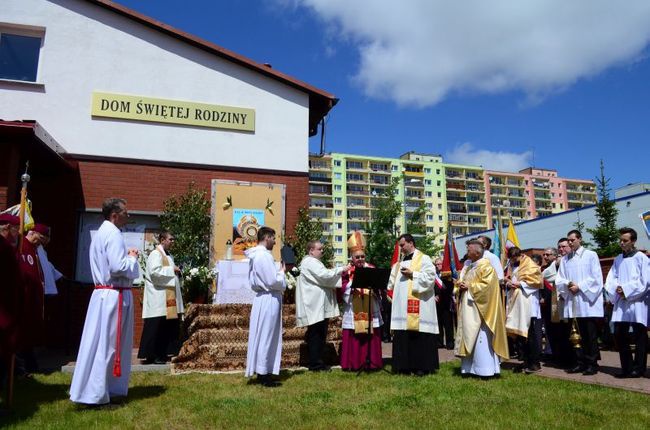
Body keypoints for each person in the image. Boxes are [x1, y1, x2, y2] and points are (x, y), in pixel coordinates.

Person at [69, 198, 139, 406]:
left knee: (98, 343)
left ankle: (101, 388)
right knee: (109, 345)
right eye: (125, 212)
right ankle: (98, 394)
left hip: (104, 295)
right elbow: (118, 267)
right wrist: (132, 257)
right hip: (113, 295)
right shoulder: (113, 233)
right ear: (114, 215)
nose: (128, 216)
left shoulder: (101, 233)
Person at [455, 239, 509, 378]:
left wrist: (470, 287)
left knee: (481, 339)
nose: (466, 252)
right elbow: (463, 282)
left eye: (469, 250)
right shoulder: (470, 266)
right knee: (468, 335)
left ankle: (484, 370)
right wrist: (460, 285)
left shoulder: (486, 267)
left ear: (477, 252)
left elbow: (488, 287)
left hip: (481, 311)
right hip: (469, 307)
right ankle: (469, 369)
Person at [388, 234, 439, 375]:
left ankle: (420, 367)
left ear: (411, 243)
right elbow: (392, 282)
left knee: (419, 337)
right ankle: (403, 367)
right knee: (403, 336)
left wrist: (413, 274)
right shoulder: (399, 262)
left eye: (403, 245)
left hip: (420, 306)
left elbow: (430, 278)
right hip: (401, 308)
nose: (401, 248)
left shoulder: (424, 258)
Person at [555, 230, 603, 375]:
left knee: (589, 335)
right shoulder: (565, 260)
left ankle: (592, 363)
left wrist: (580, 286)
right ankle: (579, 362)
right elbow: (560, 279)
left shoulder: (590, 255)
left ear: (580, 239)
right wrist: (569, 284)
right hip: (572, 301)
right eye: (568, 240)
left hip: (586, 302)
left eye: (572, 240)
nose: (570, 242)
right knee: (576, 335)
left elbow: (596, 277)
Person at [604, 227, 649, 378]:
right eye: (621, 240)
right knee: (619, 334)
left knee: (639, 335)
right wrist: (616, 289)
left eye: (625, 241)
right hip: (621, 302)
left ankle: (639, 367)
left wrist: (626, 290)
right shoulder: (618, 259)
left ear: (633, 241)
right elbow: (611, 278)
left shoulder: (641, 258)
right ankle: (627, 367)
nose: (622, 243)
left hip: (637, 300)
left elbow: (645, 281)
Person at [244, 227, 286, 386]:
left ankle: (264, 370)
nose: (275, 242)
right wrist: (282, 272)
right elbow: (272, 281)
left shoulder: (258, 255)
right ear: (267, 237)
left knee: (265, 335)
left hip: (265, 298)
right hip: (268, 298)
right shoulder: (263, 256)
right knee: (266, 336)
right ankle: (263, 374)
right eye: (273, 238)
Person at [296, 240, 345, 371]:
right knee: (316, 335)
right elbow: (324, 276)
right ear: (311, 250)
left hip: (317, 304)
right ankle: (316, 364)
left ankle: (317, 362)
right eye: (319, 249)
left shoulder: (313, 262)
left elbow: (323, 278)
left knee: (319, 334)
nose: (322, 251)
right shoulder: (310, 262)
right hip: (315, 305)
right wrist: (341, 269)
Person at [138, 231, 185, 365]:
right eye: (171, 239)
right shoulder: (155, 254)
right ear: (162, 240)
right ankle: (152, 355)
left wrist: (177, 271)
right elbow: (154, 272)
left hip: (167, 295)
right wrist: (172, 270)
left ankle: (162, 354)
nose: (173, 241)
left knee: (166, 326)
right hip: (158, 296)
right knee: (156, 326)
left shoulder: (168, 255)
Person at [340, 232, 383, 371]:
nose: (360, 259)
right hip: (354, 306)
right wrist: (352, 283)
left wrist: (377, 287)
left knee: (371, 333)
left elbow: (379, 287)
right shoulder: (347, 271)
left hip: (370, 305)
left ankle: (371, 363)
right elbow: (342, 287)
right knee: (354, 334)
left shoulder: (371, 268)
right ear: (352, 257)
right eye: (357, 257)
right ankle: (353, 363)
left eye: (362, 256)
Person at [16, 224, 49, 375]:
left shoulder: (35, 250)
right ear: (33, 232)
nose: (40, 243)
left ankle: (30, 365)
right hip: (23, 300)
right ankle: (21, 367)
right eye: (41, 239)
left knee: (28, 336)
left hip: (32, 301)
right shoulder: (22, 247)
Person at [505, 247, 543, 373]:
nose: (513, 261)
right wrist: (509, 283)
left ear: (520, 255)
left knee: (530, 334)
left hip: (528, 303)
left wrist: (520, 284)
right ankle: (525, 361)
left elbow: (537, 282)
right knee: (520, 335)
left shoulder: (530, 265)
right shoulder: (513, 265)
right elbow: (511, 279)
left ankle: (535, 363)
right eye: (511, 259)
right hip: (516, 303)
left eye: (515, 258)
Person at [0, 214, 21, 410]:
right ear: (7, 227)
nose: (19, 233)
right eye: (17, 229)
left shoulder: (9, 249)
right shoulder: (4, 249)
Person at [434, 257, 454, 350]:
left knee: (448, 324)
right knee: (438, 323)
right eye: (436, 264)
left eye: (439, 264)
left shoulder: (448, 275)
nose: (438, 266)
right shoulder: (434, 275)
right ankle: (439, 342)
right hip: (436, 303)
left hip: (446, 302)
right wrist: (434, 296)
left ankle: (450, 343)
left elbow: (449, 288)